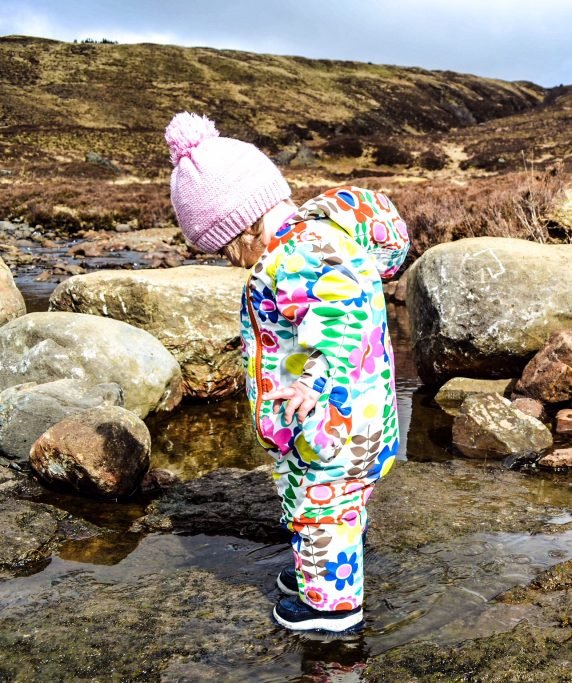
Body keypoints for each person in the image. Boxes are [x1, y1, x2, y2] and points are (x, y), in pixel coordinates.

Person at [165, 112, 409, 633]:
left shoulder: (299, 255)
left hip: (329, 419)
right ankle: (323, 569)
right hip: (346, 419)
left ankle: (332, 606)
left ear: (247, 223)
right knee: (322, 501)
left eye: (227, 246)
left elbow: (343, 319)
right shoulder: (311, 240)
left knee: (320, 508)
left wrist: (311, 381)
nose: (232, 260)